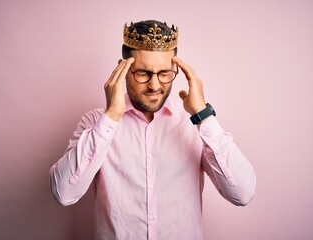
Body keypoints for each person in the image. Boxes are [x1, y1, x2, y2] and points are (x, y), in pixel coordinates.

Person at [49, 20, 256, 240]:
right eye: (143, 73)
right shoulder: (95, 123)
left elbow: (242, 194)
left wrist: (203, 115)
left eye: (165, 73)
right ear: (123, 69)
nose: (155, 85)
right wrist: (111, 116)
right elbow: (64, 193)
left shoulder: (193, 125)